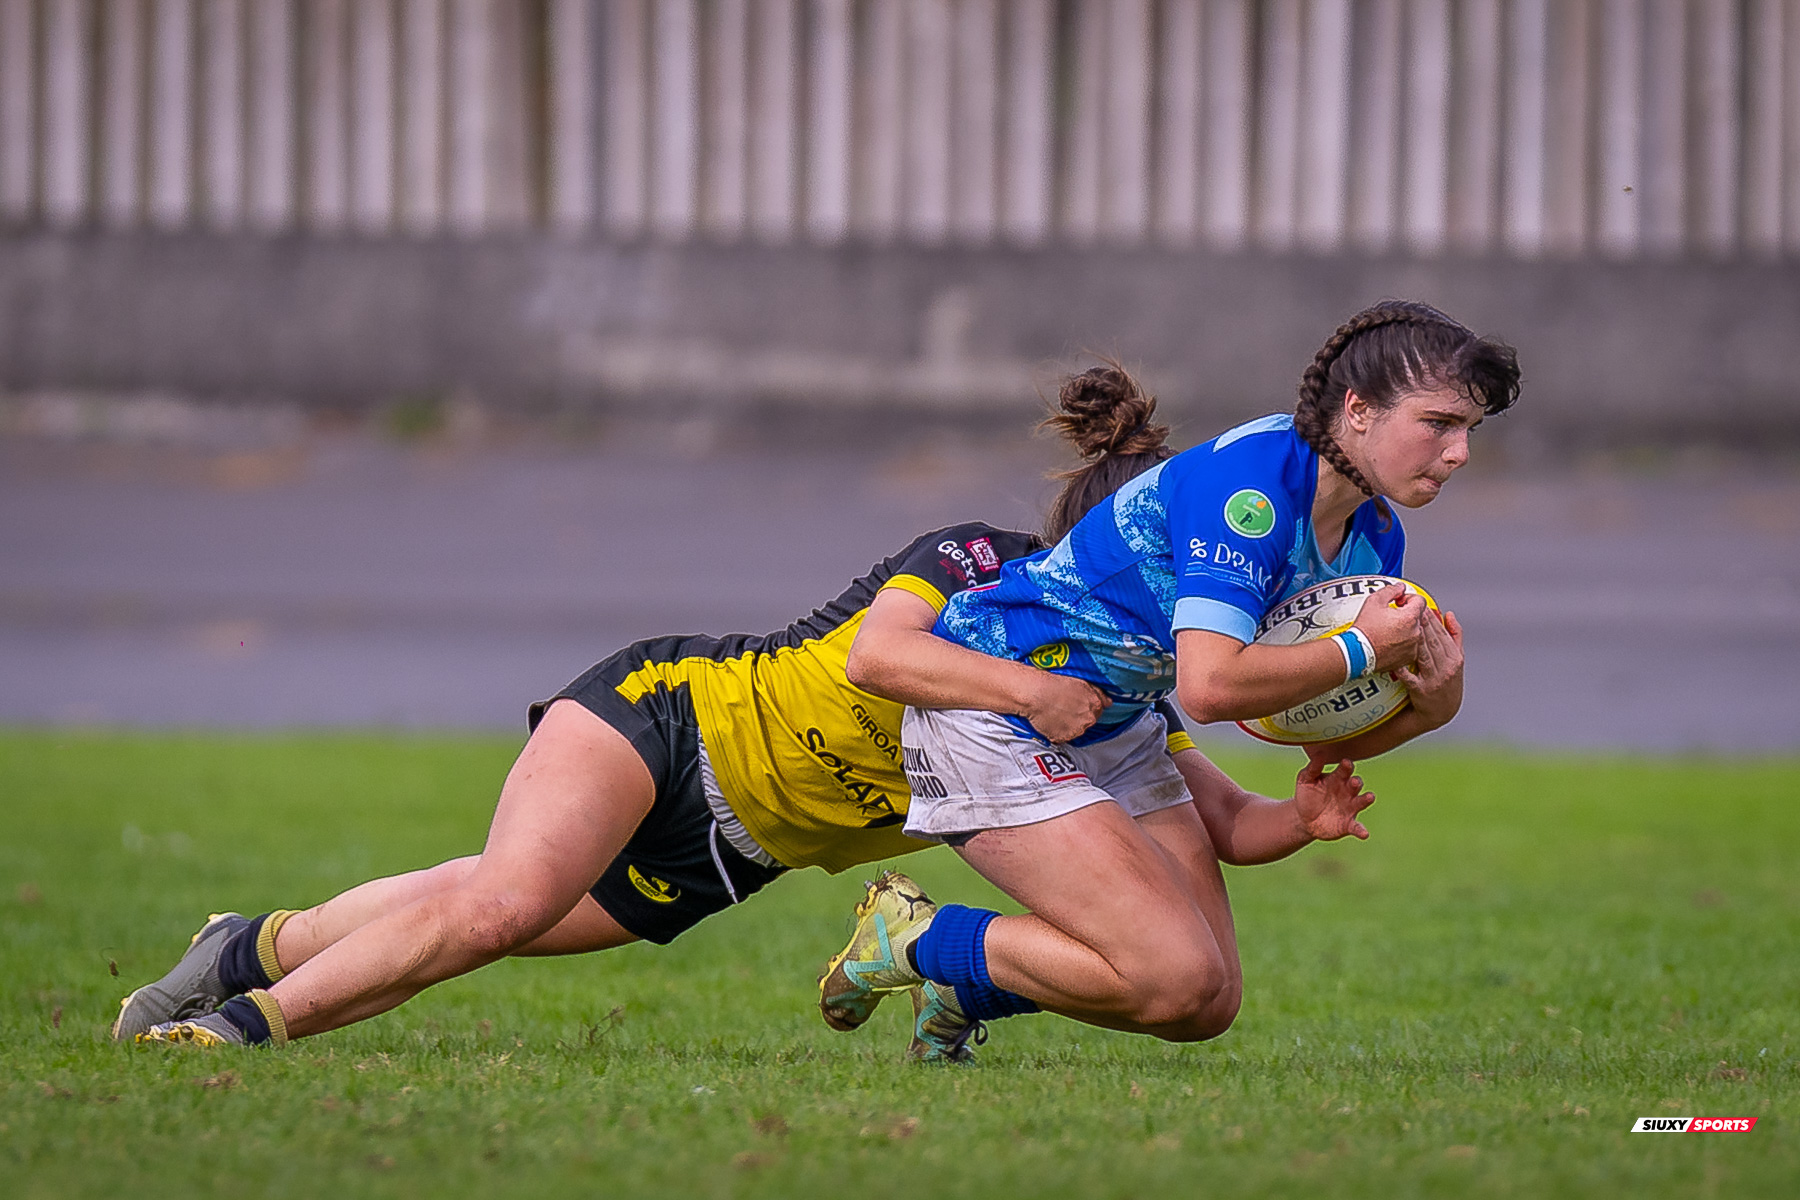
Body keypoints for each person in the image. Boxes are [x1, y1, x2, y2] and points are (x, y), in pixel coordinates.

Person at [116, 428, 1376, 1062]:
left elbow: (1204, 814)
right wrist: (1022, 691)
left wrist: (1297, 817)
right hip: (676, 721)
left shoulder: (1116, 687)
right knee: (499, 904)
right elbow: (886, 656)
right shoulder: (983, 567)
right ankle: (238, 1036)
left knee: (472, 911)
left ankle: (245, 948)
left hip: (740, 854)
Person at [818, 300, 1520, 1049]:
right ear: (1357, 409)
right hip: (995, 702)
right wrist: (1366, 651)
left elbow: (1303, 723)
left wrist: (1432, 709)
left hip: (1116, 720)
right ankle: (917, 940)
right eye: (1439, 423)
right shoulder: (1249, 494)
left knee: (1205, 1003)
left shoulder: (1373, 537)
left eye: (1468, 430)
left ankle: (965, 989)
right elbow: (1212, 689)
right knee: (1174, 974)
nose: (1459, 453)